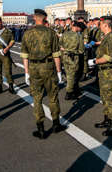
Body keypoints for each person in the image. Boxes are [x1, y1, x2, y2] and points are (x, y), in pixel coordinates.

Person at [21, 9, 66, 139]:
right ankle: (56, 124)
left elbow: (24, 55)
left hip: (34, 67)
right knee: (53, 96)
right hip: (49, 66)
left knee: (37, 99)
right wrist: (59, 71)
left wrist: (26, 72)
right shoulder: (51, 33)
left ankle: (40, 128)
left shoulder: (27, 34)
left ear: (35, 18)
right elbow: (56, 55)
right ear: (45, 18)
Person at [88, 16, 112, 136]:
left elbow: (108, 57)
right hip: (103, 72)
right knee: (104, 97)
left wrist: (94, 61)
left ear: (106, 25)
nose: (99, 26)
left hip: (109, 72)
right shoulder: (106, 37)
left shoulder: (111, 38)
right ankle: (107, 119)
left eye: (101, 24)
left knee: (109, 98)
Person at [60, 21, 84, 100]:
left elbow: (60, 44)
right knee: (72, 75)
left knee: (68, 74)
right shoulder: (78, 36)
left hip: (65, 56)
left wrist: (65, 50)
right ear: (76, 27)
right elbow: (81, 50)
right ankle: (69, 92)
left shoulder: (65, 34)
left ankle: (74, 90)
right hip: (74, 58)